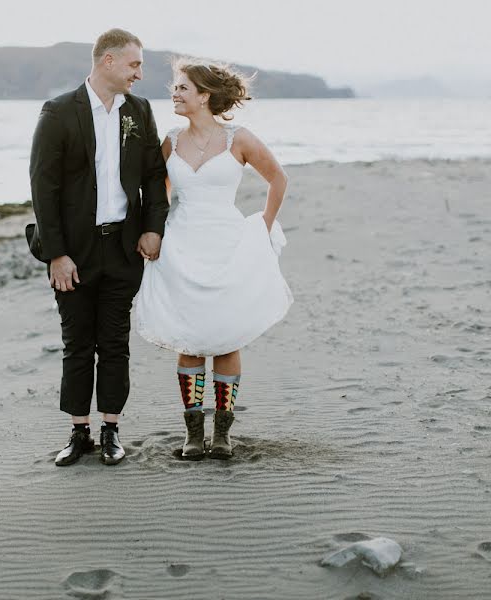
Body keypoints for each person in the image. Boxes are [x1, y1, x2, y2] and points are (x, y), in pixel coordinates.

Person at [134, 59, 293, 460]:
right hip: (182, 247)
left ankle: (222, 433)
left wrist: (263, 227)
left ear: (204, 96)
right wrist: (154, 230)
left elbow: (278, 179)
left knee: (226, 337)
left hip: (227, 244)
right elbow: (159, 193)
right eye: (175, 87)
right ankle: (192, 432)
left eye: (183, 88)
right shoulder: (170, 140)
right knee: (189, 338)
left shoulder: (238, 138)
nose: (174, 93)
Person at [27, 29, 169, 466]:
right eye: (134, 65)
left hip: (124, 247)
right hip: (74, 253)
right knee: (76, 344)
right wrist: (56, 253)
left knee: (114, 343)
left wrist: (153, 228)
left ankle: (111, 430)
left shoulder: (139, 111)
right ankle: (78, 432)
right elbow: (43, 186)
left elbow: (152, 174)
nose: (139, 74)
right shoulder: (59, 112)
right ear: (107, 61)